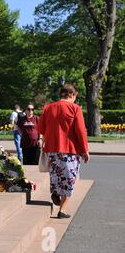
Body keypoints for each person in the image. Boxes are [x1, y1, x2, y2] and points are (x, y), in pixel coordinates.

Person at [37, 84, 89, 219]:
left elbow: (40, 128)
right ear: (72, 95)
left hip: (52, 149)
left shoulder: (48, 108)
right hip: (70, 150)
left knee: (56, 174)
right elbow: (81, 131)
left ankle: (54, 191)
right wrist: (85, 151)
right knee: (69, 180)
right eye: (75, 97)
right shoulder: (75, 108)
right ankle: (62, 210)